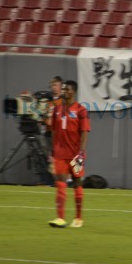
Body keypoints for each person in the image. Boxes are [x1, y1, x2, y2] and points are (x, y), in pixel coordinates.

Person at [48, 80, 90, 228]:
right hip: (60, 153)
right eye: (63, 89)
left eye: (67, 89)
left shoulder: (81, 110)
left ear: (74, 92)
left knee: (77, 183)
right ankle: (60, 218)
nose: (64, 91)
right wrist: (53, 148)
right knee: (60, 183)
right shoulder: (56, 109)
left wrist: (81, 152)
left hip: (75, 154)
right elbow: (53, 130)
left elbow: (84, 132)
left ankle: (78, 218)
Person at [36, 76, 63, 186]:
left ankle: (62, 180)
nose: (54, 87)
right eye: (52, 85)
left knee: (59, 157)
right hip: (47, 132)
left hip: (58, 133)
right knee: (49, 157)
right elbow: (41, 115)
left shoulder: (64, 100)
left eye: (56, 85)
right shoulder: (46, 101)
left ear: (61, 87)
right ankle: (51, 181)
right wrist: (41, 119)